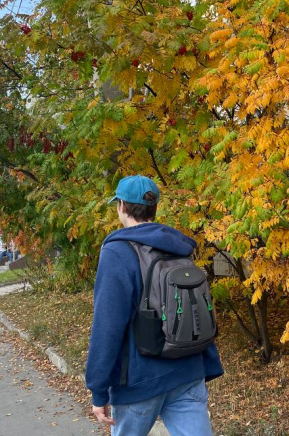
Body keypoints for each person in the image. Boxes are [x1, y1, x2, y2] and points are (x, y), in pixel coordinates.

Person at [85, 175, 223, 436]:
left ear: (122, 206)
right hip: (188, 371)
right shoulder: (179, 247)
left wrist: (98, 389)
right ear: (154, 207)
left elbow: (107, 326)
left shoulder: (118, 251)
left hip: (140, 382)